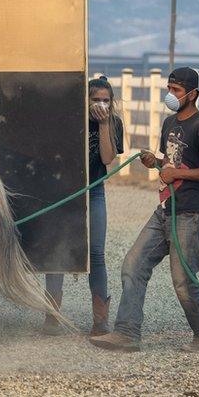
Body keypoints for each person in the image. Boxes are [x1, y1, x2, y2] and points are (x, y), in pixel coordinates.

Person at [90, 66, 199, 353]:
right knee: (133, 265)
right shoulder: (169, 123)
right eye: (169, 89)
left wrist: (178, 174)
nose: (171, 95)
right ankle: (126, 333)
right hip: (165, 209)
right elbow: (172, 162)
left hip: (191, 213)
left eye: (176, 91)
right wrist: (156, 162)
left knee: (183, 280)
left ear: (192, 94)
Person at [42, 76, 124, 336]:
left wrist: (102, 125)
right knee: (57, 250)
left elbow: (108, 158)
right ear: (85, 100)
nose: (101, 104)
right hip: (65, 192)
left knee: (97, 253)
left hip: (94, 191)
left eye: (106, 100)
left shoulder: (113, 123)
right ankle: (52, 316)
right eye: (95, 99)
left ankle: (100, 321)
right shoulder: (71, 119)